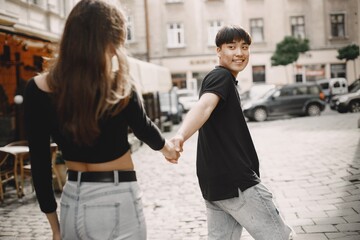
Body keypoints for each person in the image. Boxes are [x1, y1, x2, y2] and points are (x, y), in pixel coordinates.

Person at [23, 1, 179, 239]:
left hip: (72, 199)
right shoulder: (119, 84)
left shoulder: (37, 88)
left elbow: (40, 161)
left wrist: (55, 227)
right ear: (113, 40)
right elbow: (144, 128)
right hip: (117, 194)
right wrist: (168, 149)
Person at [170, 25, 293, 240]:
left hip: (215, 185)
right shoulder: (222, 77)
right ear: (218, 51)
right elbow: (204, 106)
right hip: (237, 183)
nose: (239, 52)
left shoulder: (222, 80)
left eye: (244, 47)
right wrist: (181, 135)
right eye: (231, 46)